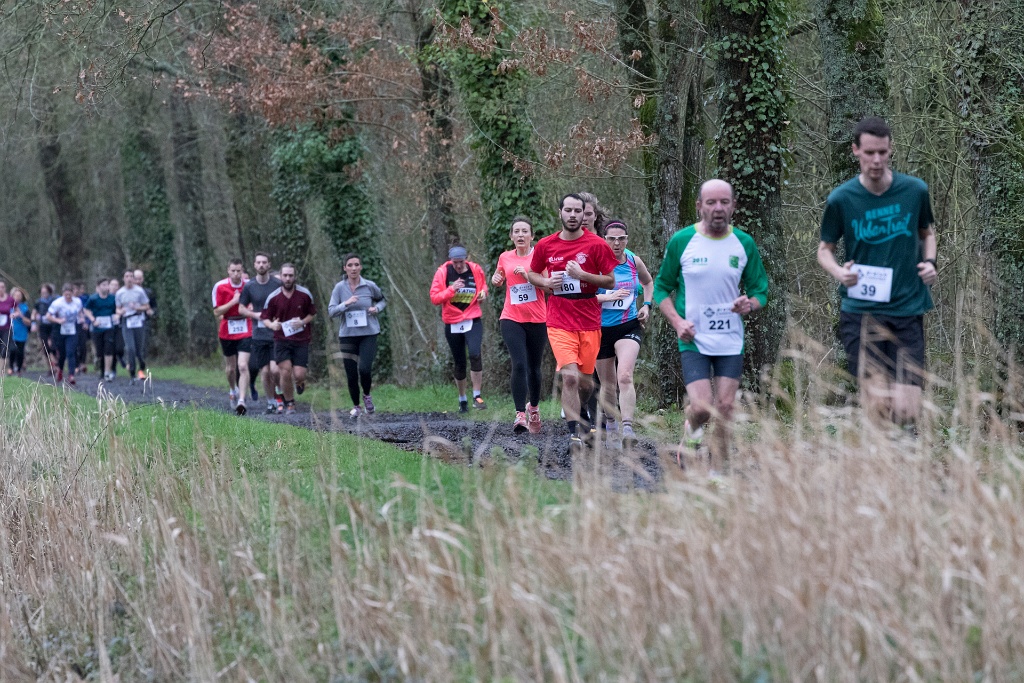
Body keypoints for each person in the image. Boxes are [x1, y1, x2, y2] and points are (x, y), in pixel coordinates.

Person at [817, 116, 938, 425]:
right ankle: (881, 454)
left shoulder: (915, 191)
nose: (876, 160)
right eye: (869, 152)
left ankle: (898, 448)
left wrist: (930, 263)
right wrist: (839, 273)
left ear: (890, 150)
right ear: (855, 150)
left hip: (907, 308)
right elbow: (824, 250)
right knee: (879, 407)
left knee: (907, 410)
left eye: (882, 152)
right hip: (862, 313)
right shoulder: (841, 199)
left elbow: (927, 233)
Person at [654, 179, 769, 471]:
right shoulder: (682, 241)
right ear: (699, 206)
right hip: (693, 339)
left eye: (724, 202)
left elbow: (761, 292)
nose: (718, 208)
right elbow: (660, 289)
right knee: (702, 407)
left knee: (726, 407)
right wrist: (677, 322)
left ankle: (718, 470)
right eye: (711, 202)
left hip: (730, 339)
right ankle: (692, 434)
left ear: (733, 206)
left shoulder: (744, 243)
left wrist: (749, 304)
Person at [526, 193, 618, 452]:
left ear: (584, 214)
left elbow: (611, 281)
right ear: (560, 213)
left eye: (578, 211)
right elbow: (532, 273)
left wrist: (583, 275)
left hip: (589, 319)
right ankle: (574, 435)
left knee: (586, 383)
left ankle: (582, 411)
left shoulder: (597, 245)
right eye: (568, 210)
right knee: (569, 378)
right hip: (558, 319)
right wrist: (545, 282)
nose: (573, 215)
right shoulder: (546, 245)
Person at [594, 219, 654, 446]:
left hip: (628, 325)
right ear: (604, 240)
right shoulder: (595, 262)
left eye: (621, 239)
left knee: (625, 376)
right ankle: (611, 424)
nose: (617, 243)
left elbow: (648, 282)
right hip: (600, 330)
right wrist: (607, 297)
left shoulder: (633, 260)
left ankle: (628, 428)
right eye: (612, 239)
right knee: (608, 384)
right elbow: (584, 297)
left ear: (627, 239)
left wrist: (646, 305)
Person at [492, 217, 548, 434]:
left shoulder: (540, 257)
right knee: (519, 364)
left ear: (532, 235)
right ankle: (519, 415)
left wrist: (529, 276)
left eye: (525, 231)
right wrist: (496, 280)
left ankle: (533, 408)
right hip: (511, 318)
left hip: (537, 319)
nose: (521, 235)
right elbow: (499, 277)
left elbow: (548, 286)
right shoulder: (505, 257)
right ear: (511, 236)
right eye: (517, 231)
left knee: (534, 367)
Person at [429, 245, 489, 413]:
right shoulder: (443, 272)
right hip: (452, 321)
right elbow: (434, 298)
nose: (458, 266)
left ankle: (477, 396)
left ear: (466, 259)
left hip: (472, 319)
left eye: (461, 262)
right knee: (460, 362)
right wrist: (451, 289)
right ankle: (462, 398)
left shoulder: (475, 269)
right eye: (455, 263)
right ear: (451, 261)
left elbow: (483, 287)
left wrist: (483, 293)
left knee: (475, 354)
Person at [328, 253, 386, 418]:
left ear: (360, 267)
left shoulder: (369, 286)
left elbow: (382, 300)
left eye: (356, 265)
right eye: (350, 265)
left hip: (368, 333)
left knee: (365, 369)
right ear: (345, 268)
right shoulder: (339, 288)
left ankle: (367, 396)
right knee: (351, 373)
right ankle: (356, 406)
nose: (353, 268)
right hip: (348, 335)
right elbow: (331, 311)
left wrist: (377, 309)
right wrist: (345, 304)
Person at [260, 263, 316, 415]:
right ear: (280, 277)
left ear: (295, 276)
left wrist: (303, 322)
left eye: (290, 275)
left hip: (301, 340)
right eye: (285, 275)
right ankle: (290, 403)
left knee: (299, 374)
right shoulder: (273, 297)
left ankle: (300, 382)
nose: (288, 278)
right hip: (281, 340)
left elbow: (312, 313)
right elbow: (265, 318)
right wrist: (272, 325)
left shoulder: (304, 294)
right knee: (285, 372)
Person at [239, 252, 284, 414]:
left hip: (275, 333)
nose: (261, 265)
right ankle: (271, 402)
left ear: (269, 264)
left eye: (264, 262)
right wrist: (256, 315)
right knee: (265, 372)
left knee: (275, 370)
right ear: (254, 265)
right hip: (258, 334)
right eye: (258, 262)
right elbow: (241, 309)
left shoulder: (277, 284)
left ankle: (280, 394)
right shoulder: (249, 286)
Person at [212, 259, 252, 414]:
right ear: (228, 271)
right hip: (227, 328)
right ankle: (232, 389)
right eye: (233, 271)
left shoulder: (249, 285)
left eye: (239, 271)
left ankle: (241, 400)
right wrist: (234, 302)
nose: (236, 274)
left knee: (242, 366)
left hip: (245, 328)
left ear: (242, 271)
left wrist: (250, 307)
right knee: (231, 369)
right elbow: (217, 312)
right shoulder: (220, 286)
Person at [115, 270, 151, 383]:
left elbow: (146, 306)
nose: (129, 278)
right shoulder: (120, 293)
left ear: (134, 279)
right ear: (123, 279)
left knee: (139, 350)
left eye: (131, 276)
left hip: (139, 320)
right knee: (130, 348)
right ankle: (132, 374)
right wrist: (120, 312)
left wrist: (137, 308)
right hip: (127, 321)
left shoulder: (139, 291)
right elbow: (117, 308)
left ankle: (141, 367)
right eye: (127, 276)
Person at [45, 283, 85, 384]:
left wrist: (82, 319)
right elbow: (48, 316)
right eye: (66, 295)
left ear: (72, 293)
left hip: (72, 329)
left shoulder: (77, 301)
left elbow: (80, 312)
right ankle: (60, 370)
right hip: (60, 330)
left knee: (71, 351)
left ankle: (71, 375)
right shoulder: (57, 303)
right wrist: (58, 320)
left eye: (69, 294)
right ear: (63, 294)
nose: (68, 297)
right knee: (62, 353)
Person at [85, 278, 118, 381]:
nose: (106, 287)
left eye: (107, 285)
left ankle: (107, 372)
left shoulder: (113, 298)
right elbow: (86, 310)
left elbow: (117, 309)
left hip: (109, 327)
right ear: (98, 287)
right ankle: (101, 368)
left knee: (108, 349)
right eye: (103, 285)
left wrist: (117, 315)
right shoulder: (93, 298)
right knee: (100, 352)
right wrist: (93, 320)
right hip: (97, 328)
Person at [32, 283, 58, 372]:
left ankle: (55, 362)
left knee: (53, 346)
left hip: (53, 326)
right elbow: (34, 313)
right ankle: (50, 367)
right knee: (46, 346)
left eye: (46, 292)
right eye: (42, 293)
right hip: (43, 326)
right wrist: (33, 323)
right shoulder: (38, 302)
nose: (44, 294)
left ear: (49, 292)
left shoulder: (54, 300)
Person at [134, 268, 156, 361]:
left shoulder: (148, 292)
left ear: (143, 279)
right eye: (136, 279)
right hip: (131, 322)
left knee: (143, 345)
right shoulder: (126, 292)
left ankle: (142, 364)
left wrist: (152, 311)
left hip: (144, 321)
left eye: (140, 279)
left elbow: (154, 306)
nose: (138, 281)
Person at [8, 287, 30, 375]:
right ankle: (10, 368)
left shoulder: (25, 308)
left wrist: (21, 316)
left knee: (20, 352)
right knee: (12, 350)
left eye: (19, 295)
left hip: (22, 332)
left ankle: (19, 369)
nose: (17, 297)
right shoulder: (8, 306)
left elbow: (28, 322)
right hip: (11, 331)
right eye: (15, 295)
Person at [107, 277, 127, 376]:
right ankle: (113, 369)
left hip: (119, 325)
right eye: (112, 285)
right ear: (109, 287)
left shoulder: (122, 297)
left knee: (119, 347)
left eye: (116, 285)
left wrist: (121, 312)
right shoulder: (106, 298)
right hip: (107, 325)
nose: (114, 287)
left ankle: (121, 358)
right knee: (111, 349)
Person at [0, 281, 14, 369]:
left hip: (6, 328)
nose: (0, 289)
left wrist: (14, 314)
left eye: (2, 287)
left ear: (5, 288)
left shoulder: (10, 299)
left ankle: (1, 371)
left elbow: (17, 311)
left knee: (4, 348)